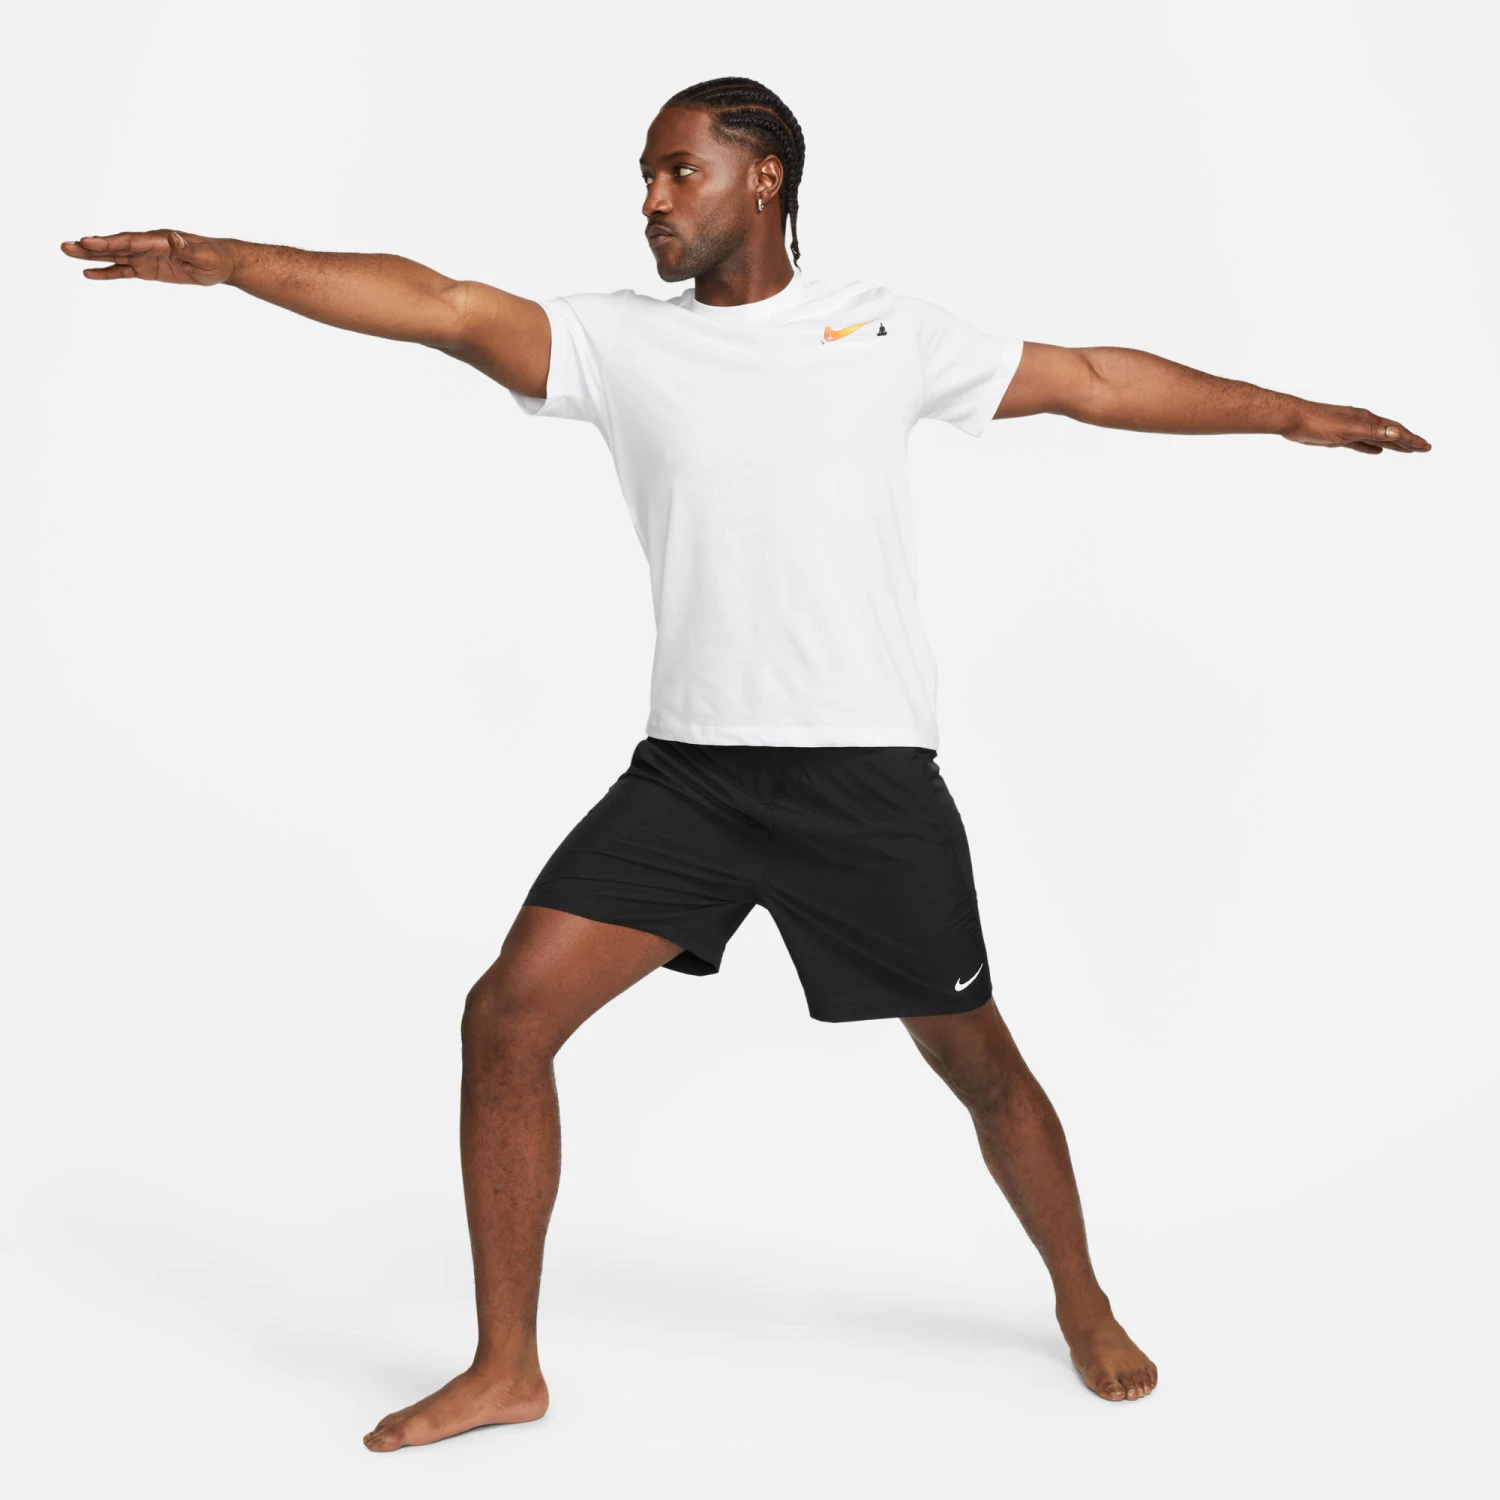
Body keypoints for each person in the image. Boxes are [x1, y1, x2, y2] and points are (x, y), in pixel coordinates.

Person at [61, 75, 1430, 1452]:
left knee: (980, 1067)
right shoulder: (615, 343)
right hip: (692, 786)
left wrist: (1293, 413)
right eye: (644, 177)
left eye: (679, 172)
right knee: (507, 1019)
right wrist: (230, 262)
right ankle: (506, 1367)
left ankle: (1083, 1299)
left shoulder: (884, 331)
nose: (651, 201)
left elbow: (1092, 380)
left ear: (763, 178)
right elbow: (444, 305)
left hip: (864, 785)